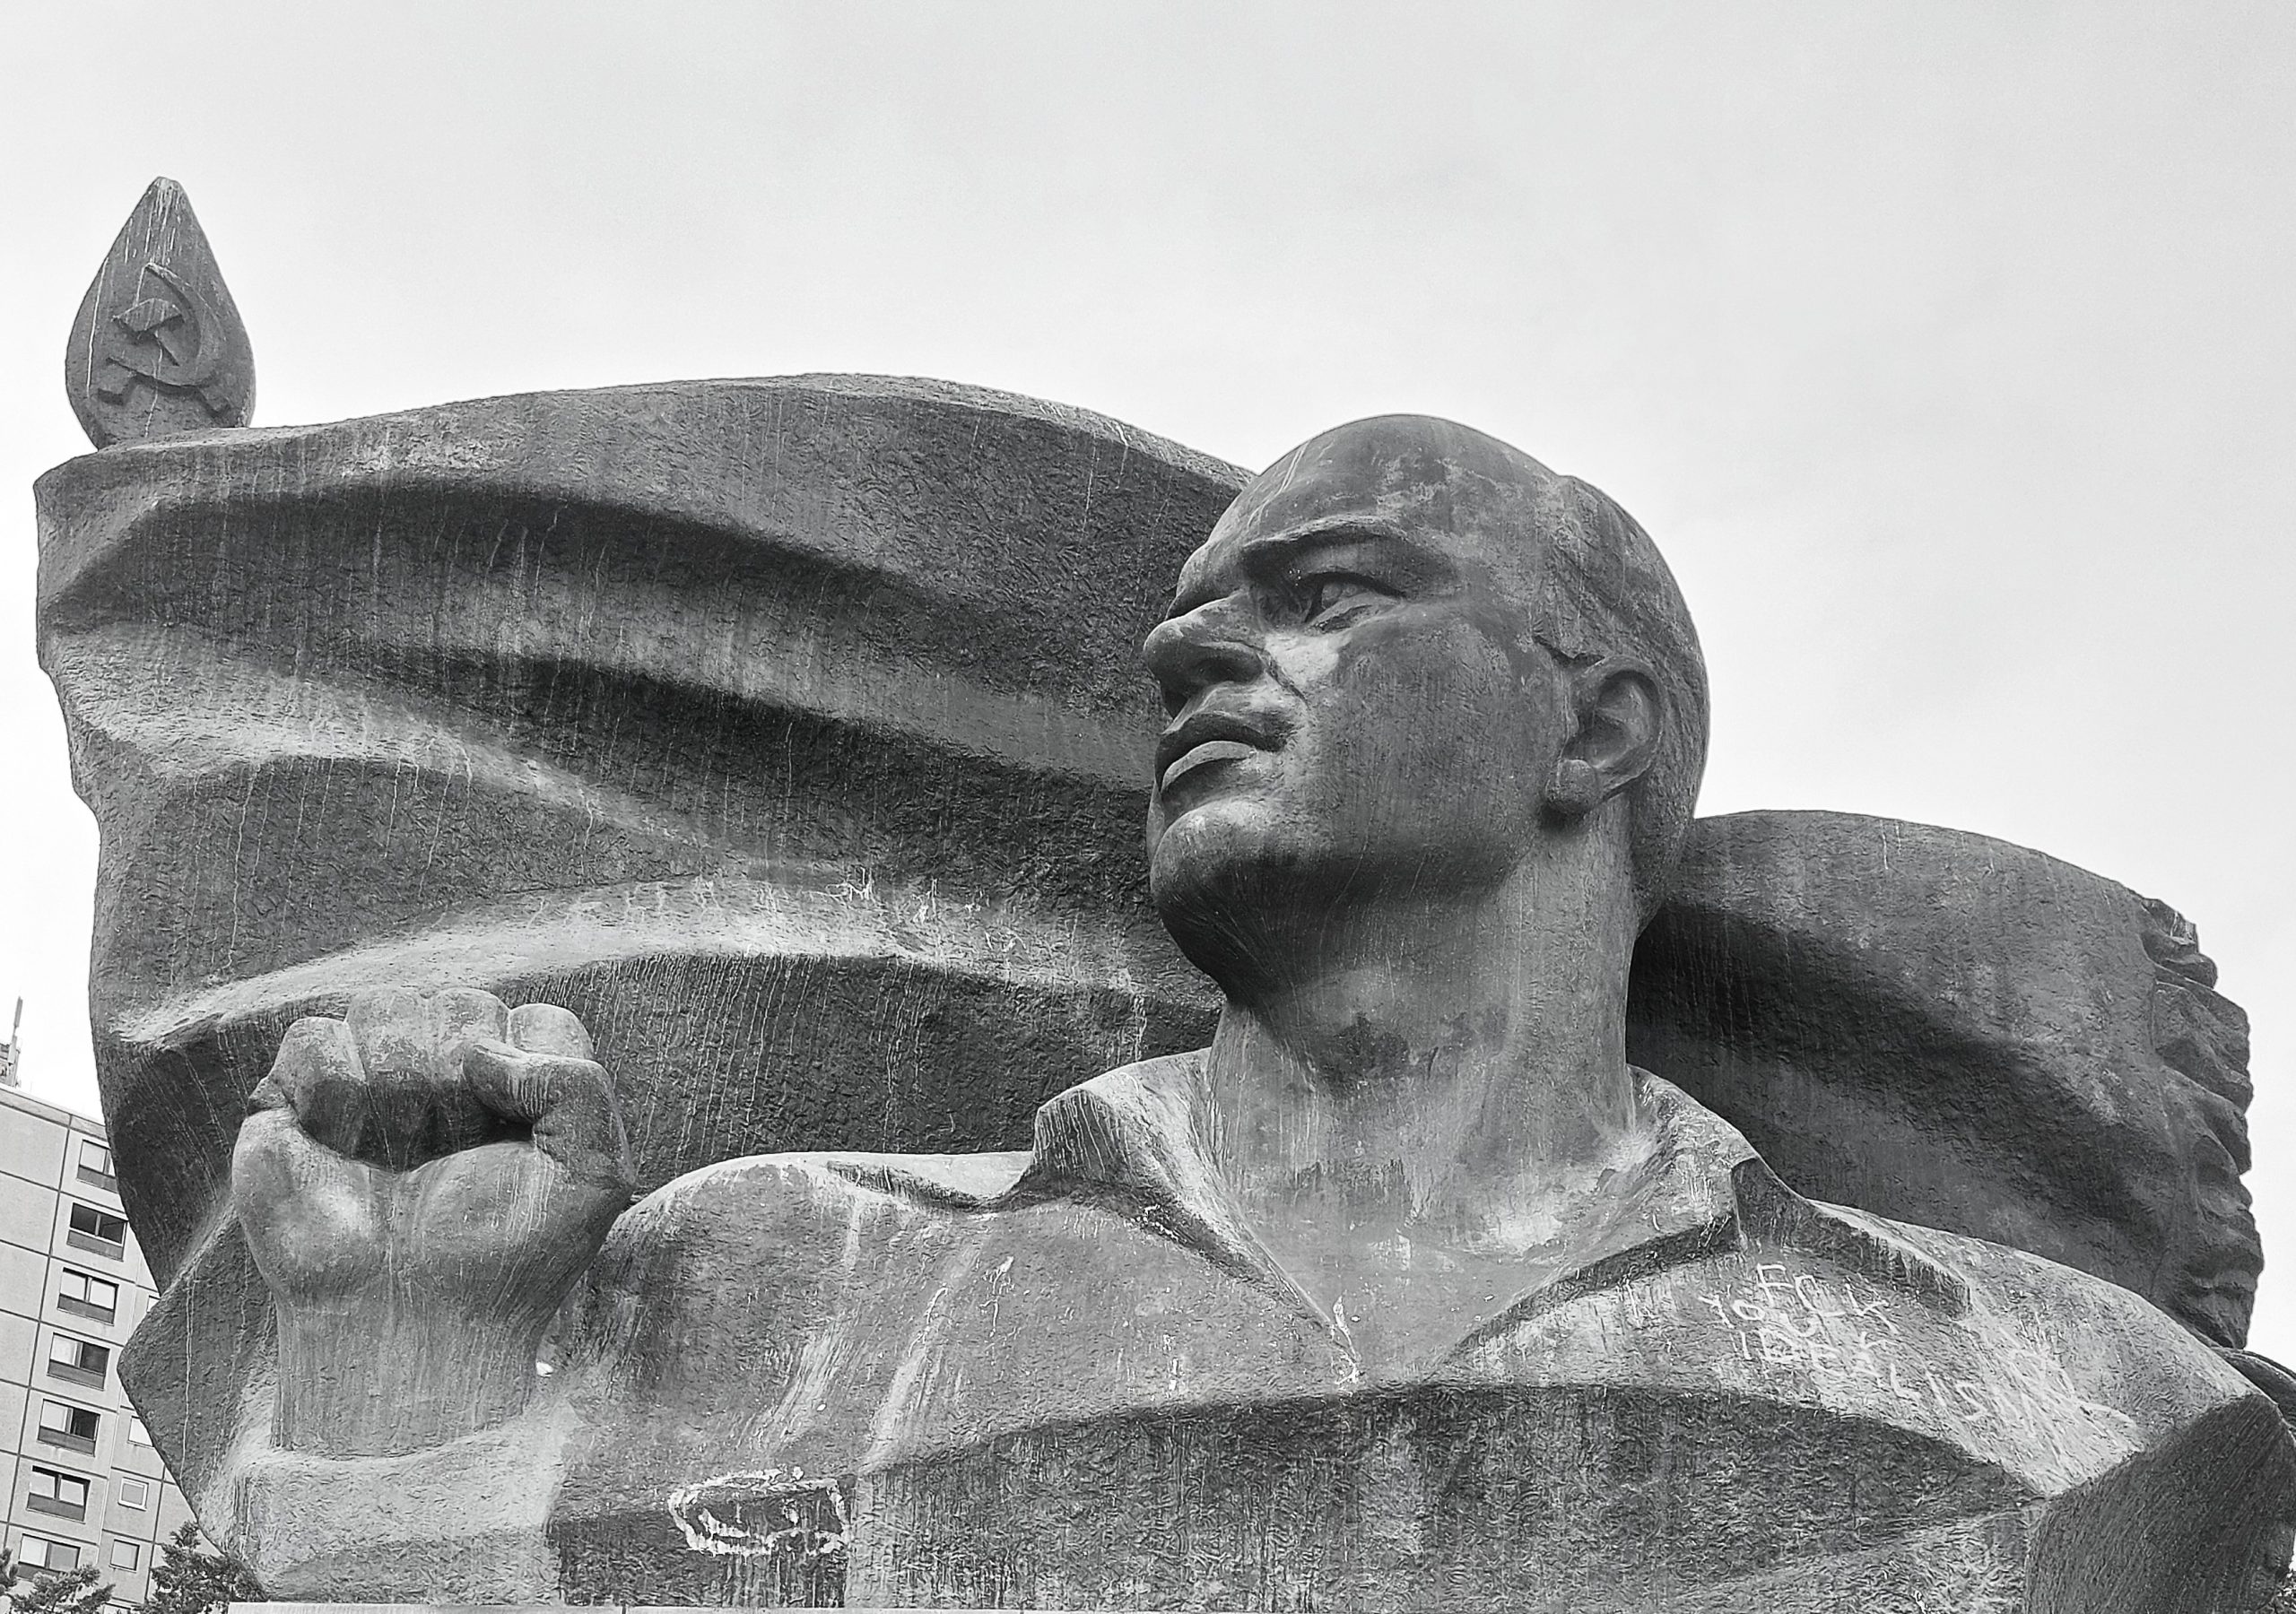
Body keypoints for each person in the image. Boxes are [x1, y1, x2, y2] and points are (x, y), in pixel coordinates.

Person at [221, 417, 2291, 1611]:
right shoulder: (761, 1278)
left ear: (1593, 725)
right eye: (1188, 623)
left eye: (1324, 599)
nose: (1189, 658)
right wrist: (406, 1376)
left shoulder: (2062, 1392)